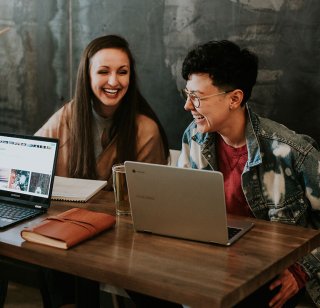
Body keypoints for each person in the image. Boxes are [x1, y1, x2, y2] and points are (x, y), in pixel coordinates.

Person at [177, 40, 320, 307]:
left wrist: (302, 270)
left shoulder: (290, 151)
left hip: (270, 275)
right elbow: (181, 206)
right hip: (213, 266)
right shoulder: (194, 137)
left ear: (234, 99)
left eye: (197, 97)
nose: (187, 105)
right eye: (186, 94)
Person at [34, 34, 169, 308]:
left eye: (122, 72)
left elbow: (148, 205)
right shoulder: (68, 116)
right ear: (87, 76)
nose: (113, 81)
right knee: (48, 250)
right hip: (68, 231)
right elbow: (32, 163)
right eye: (103, 71)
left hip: (124, 240)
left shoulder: (145, 130)